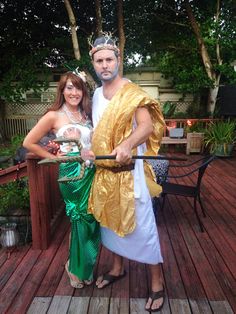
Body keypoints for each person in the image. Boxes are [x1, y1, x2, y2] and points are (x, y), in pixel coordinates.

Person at [87, 33, 166, 312]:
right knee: (109, 221)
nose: (105, 65)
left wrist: (127, 144)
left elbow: (146, 126)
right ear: (93, 64)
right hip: (105, 172)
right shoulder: (96, 94)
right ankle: (117, 267)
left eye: (109, 59)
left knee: (143, 225)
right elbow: (97, 131)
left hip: (130, 173)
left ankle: (157, 282)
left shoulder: (132, 91)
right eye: (99, 61)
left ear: (118, 60)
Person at [23, 70, 100, 288]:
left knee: (92, 221)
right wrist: (54, 158)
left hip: (91, 173)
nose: (74, 92)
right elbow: (29, 142)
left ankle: (84, 265)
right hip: (71, 176)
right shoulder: (54, 116)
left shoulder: (87, 115)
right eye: (69, 87)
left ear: (83, 90)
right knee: (80, 220)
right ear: (62, 91)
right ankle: (74, 268)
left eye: (77, 87)